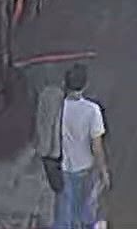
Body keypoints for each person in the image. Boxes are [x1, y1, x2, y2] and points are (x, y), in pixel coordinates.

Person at [53, 63, 109, 229]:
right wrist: (103, 171)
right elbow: (96, 146)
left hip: (62, 168)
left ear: (65, 84)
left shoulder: (58, 108)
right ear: (85, 85)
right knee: (85, 211)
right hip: (85, 168)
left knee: (64, 213)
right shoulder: (92, 111)